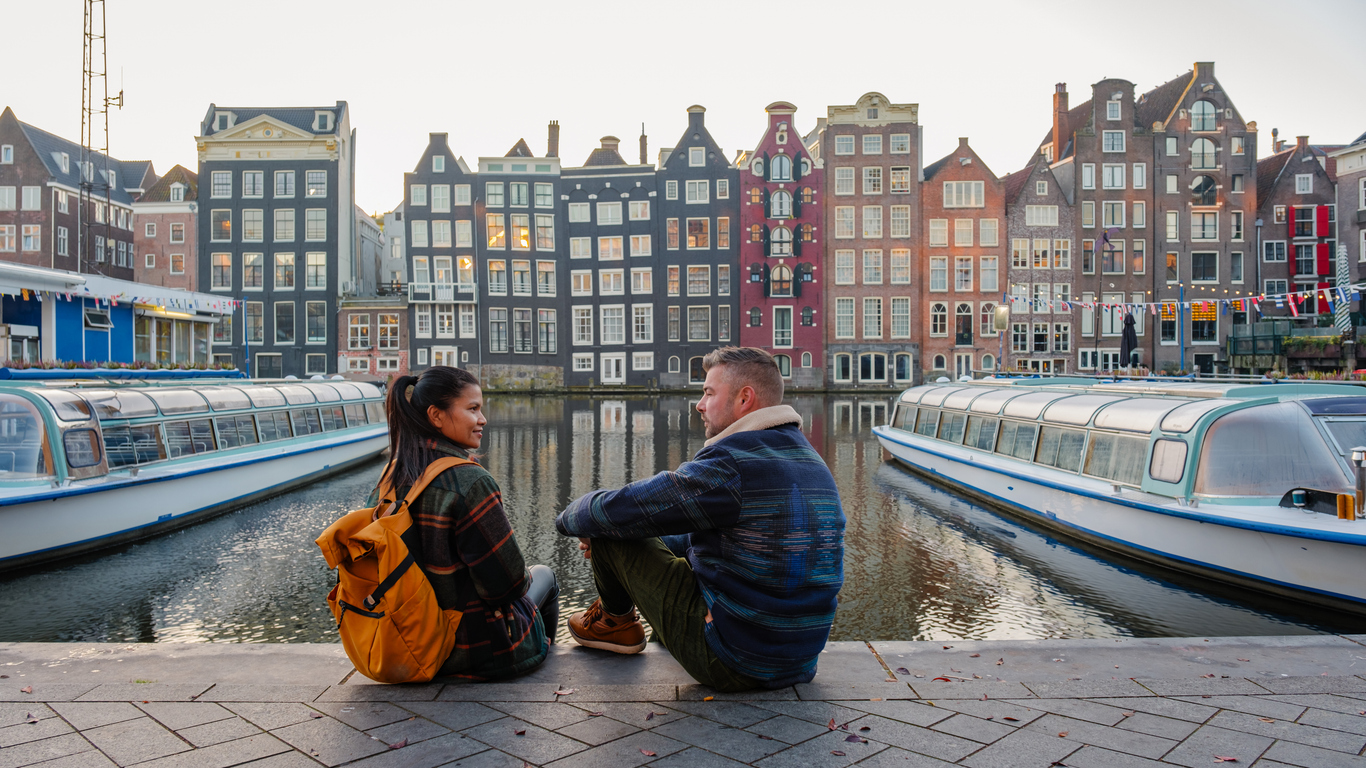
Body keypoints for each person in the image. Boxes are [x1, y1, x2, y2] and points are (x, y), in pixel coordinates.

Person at [555, 347, 845, 691]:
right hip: (799, 659)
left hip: (735, 661)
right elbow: (712, 538)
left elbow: (626, 508)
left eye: (708, 392)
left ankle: (615, 623)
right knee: (635, 528)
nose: (699, 404)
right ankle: (620, 618)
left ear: (744, 399)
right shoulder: (811, 460)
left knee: (608, 526)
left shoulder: (732, 462)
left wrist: (571, 519)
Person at [380, 366, 556, 680]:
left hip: (409, 642)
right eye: (473, 409)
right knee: (544, 576)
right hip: (471, 650)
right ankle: (541, 672)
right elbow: (509, 584)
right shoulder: (469, 480)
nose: (483, 419)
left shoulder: (391, 477)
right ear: (436, 415)